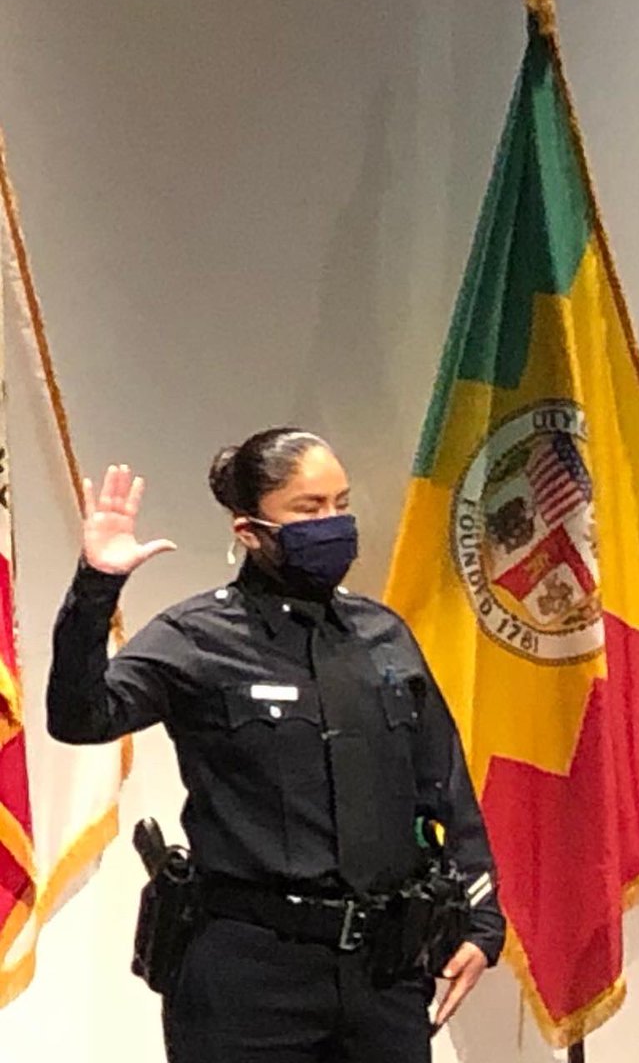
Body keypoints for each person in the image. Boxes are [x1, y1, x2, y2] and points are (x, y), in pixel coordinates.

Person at [47, 427, 504, 1063]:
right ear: (249, 531)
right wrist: (97, 587)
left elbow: (443, 784)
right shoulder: (197, 636)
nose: (335, 523)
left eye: (340, 504)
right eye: (309, 509)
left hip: (384, 972)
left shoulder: (382, 635)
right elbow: (80, 717)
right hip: (249, 977)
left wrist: (482, 924)